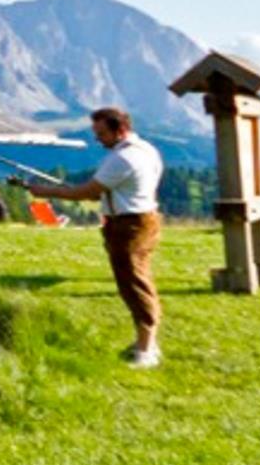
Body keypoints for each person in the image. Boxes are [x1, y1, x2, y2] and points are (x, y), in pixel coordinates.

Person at [19, 107, 165, 367]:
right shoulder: (145, 149)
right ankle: (147, 342)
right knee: (136, 280)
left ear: (119, 130)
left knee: (134, 284)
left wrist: (45, 191)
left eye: (101, 133)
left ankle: (146, 352)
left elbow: (89, 192)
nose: (98, 139)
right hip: (141, 220)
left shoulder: (124, 158)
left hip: (129, 226)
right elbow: (101, 192)